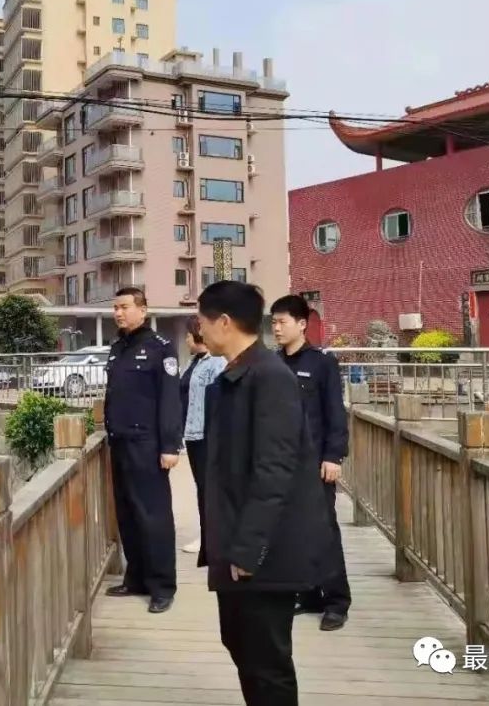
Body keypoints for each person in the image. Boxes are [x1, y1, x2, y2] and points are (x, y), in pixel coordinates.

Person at [196, 281, 333, 705]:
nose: (198, 330)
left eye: (201, 320)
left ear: (223, 322)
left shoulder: (269, 378)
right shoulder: (238, 374)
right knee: (242, 645)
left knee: (267, 660)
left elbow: (275, 470)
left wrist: (248, 549)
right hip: (239, 541)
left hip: (262, 553)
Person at [270, 294, 351, 631]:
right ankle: (308, 593)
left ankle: (336, 601)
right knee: (293, 533)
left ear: (302, 324)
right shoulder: (273, 364)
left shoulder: (321, 363)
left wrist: (333, 456)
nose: (275, 328)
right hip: (281, 465)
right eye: (272, 322)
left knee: (323, 532)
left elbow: (335, 413)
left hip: (315, 464)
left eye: (282, 322)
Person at [103, 286, 182, 614]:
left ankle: (162, 585)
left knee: (154, 517)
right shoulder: (118, 347)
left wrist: (170, 445)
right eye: (116, 308)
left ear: (143, 310)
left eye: (124, 307)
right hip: (119, 443)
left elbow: (169, 401)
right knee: (128, 515)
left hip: (147, 445)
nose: (118, 313)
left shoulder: (160, 349)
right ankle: (135, 577)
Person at [180, 316, 226, 554]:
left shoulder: (216, 362)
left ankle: (212, 540)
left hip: (208, 435)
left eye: (188, 335)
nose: (186, 339)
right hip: (193, 434)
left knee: (210, 489)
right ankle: (207, 536)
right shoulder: (195, 362)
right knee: (202, 487)